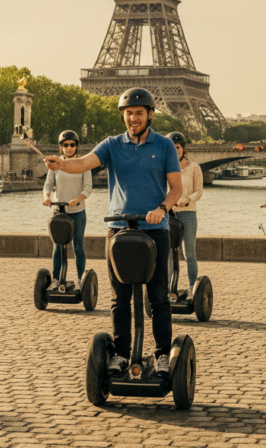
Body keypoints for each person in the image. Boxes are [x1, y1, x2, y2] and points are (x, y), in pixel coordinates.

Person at [44, 88, 182, 376]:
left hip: (155, 230)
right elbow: (83, 164)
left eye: (139, 113)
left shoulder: (166, 146)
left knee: (158, 298)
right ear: (123, 116)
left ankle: (161, 354)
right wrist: (61, 164)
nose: (133, 118)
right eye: (128, 113)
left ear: (150, 115)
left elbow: (177, 189)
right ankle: (120, 354)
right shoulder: (112, 145)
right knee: (120, 299)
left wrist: (162, 207)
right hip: (119, 230)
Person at [42, 130, 92, 290]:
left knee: (78, 247)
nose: (69, 148)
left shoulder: (84, 164)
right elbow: (48, 185)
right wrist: (47, 197)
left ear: (76, 146)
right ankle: (56, 279)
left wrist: (77, 199)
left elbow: (88, 188)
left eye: (72, 145)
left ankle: (80, 281)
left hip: (77, 212)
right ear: (61, 147)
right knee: (58, 246)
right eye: (65, 145)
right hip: (59, 212)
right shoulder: (55, 164)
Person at [169, 131, 203, 295]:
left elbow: (199, 192)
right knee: (168, 254)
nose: (175, 151)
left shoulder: (194, 167)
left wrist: (186, 199)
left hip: (188, 212)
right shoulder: (165, 168)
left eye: (177, 148)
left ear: (183, 148)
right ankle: (168, 288)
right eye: (172, 148)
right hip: (170, 214)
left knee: (189, 253)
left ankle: (192, 288)